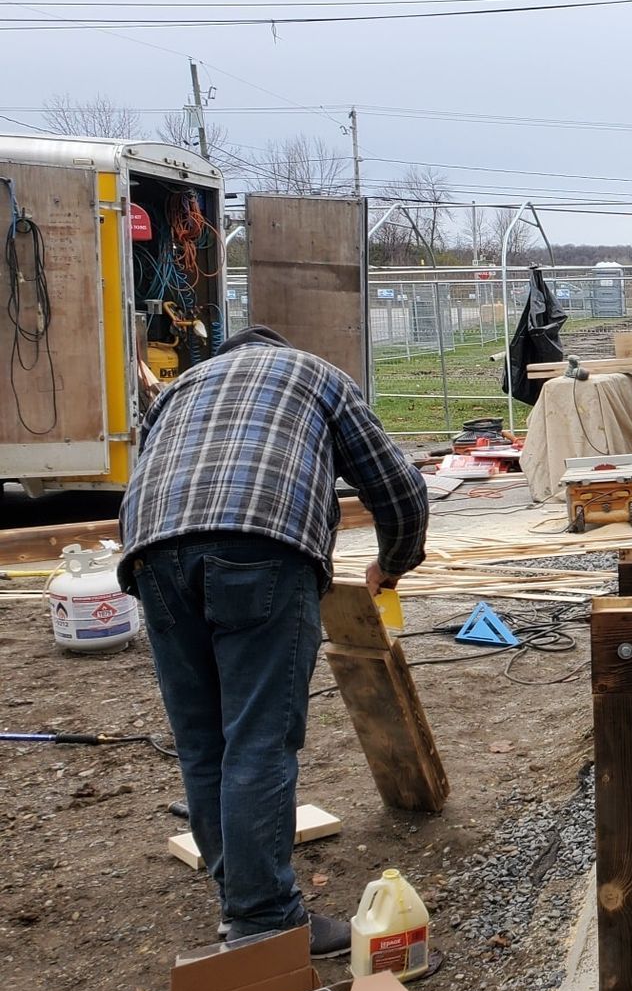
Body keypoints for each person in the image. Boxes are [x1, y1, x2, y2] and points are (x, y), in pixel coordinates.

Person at [119, 327, 429, 956]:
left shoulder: (178, 391)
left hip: (149, 553)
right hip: (260, 545)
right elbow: (400, 490)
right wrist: (393, 564)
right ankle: (263, 922)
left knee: (203, 740)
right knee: (259, 735)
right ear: (278, 351)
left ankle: (242, 902)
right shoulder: (314, 374)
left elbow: (147, 471)